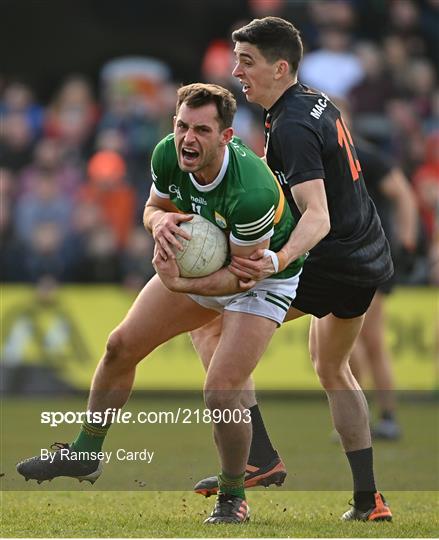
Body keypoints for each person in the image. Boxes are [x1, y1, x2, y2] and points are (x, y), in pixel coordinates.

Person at [16, 83, 304, 524]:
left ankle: (232, 497)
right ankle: (85, 451)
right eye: (182, 126)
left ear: (226, 136)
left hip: (263, 278)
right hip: (203, 265)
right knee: (119, 346)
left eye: (202, 130)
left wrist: (174, 277)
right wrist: (160, 221)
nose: (188, 138)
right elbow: (151, 207)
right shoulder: (167, 153)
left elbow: (242, 276)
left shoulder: (253, 192)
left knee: (222, 388)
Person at [191, 17, 394, 522]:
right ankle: (369, 501)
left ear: (280, 68)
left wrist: (275, 261)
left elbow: (318, 216)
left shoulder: (292, 125)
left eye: (247, 62)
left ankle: (258, 457)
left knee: (211, 323)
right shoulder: (315, 102)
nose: (236, 71)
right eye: (237, 60)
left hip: (326, 260)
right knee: (332, 368)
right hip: (366, 259)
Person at [349, 136, 418, 441]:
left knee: (371, 340)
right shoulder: (320, 157)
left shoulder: (366, 156)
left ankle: (387, 416)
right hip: (343, 260)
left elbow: (403, 193)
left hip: (373, 257)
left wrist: (406, 241)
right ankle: (356, 418)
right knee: (343, 347)